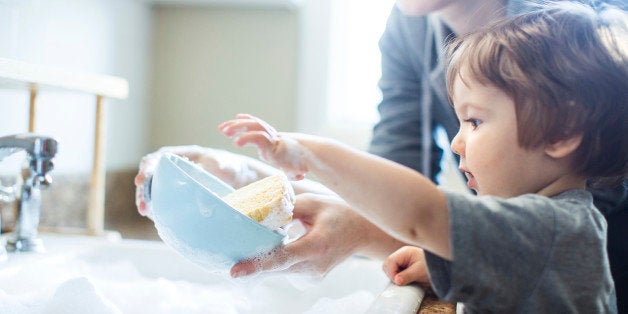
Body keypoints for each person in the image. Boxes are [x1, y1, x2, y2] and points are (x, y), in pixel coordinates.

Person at [135, 0, 627, 309]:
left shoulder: (556, 231)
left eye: (474, 121)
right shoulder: (545, 229)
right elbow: (397, 194)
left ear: (562, 132)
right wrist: (442, 263)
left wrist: (307, 152)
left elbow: (415, 210)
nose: (457, 144)